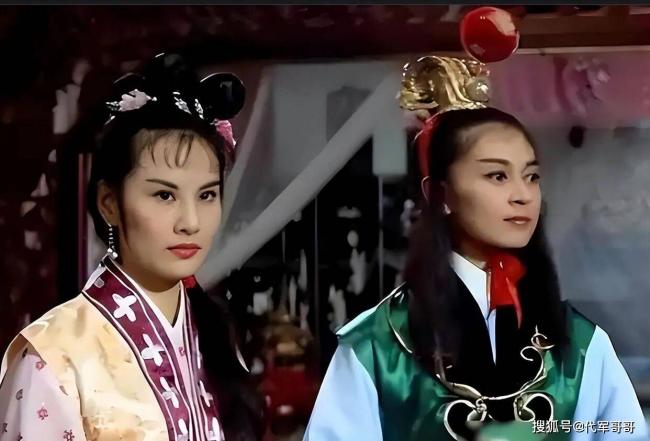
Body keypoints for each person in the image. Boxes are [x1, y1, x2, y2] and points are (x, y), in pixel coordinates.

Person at [303, 56, 648, 441]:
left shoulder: (580, 345)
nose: (522, 195)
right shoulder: (376, 347)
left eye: (531, 176)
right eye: (497, 175)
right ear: (440, 193)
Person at [0, 53, 263, 441]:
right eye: (164, 195)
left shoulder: (213, 338)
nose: (190, 221)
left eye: (207, 195)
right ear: (109, 203)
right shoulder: (54, 358)